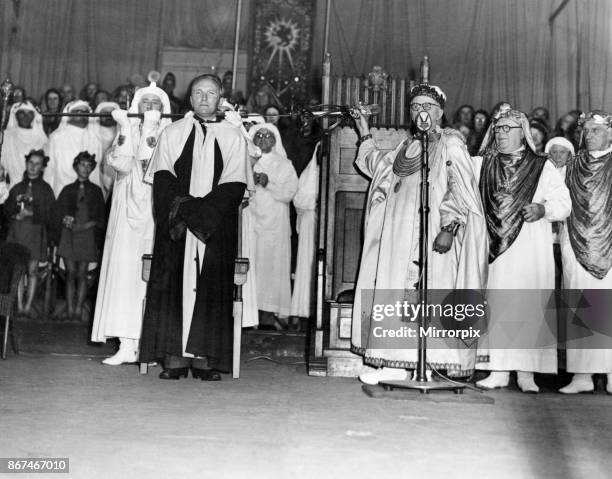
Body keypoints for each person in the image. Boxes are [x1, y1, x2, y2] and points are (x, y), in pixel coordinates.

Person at [352, 83, 488, 385]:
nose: (420, 112)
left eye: (427, 106)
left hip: (432, 235)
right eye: (415, 107)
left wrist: (449, 227)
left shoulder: (451, 143)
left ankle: (427, 364)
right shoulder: (408, 145)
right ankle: (397, 362)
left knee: (424, 296)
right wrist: (363, 129)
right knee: (400, 296)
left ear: (440, 111)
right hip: (400, 238)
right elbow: (377, 166)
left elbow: (460, 188)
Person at [139, 74, 248, 380]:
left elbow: (235, 184)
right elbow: (163, 179)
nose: (203, 98)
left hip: (214, 229)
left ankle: (204, 360)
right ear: (189, 99)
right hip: (179, 226)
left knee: (211, 288)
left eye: (210, 93)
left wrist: (203, 217)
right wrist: (187, 212)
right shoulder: (172, 132)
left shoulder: (233, 136)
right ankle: (174, 359)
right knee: (174, 286)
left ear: (220, 99)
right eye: (198, 93)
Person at [475, 104, 571, 393]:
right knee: (499, 303)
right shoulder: (482, 163)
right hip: (494, 249)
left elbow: (564, 203)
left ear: (523, 133)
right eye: (498, 129)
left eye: (508, 129)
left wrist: (543, 208)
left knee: (528, 305)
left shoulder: (542, 166)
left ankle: (527, 372)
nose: (501, 134)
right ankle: (499, 370)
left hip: (529, 247)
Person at [92, 82, 171, 365]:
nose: (150, 107)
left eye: (155, 103)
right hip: (125, 211)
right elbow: (121, 165)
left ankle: (148, 346)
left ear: (164, 109)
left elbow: (151, 165)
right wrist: (126, 129)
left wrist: (150, 130)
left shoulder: (168, 133)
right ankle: (126, 345)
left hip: (154, 211)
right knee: (125, 274)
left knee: (149, 276)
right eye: (145, 102)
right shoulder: (125, 130)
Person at [559, 111, 612, 394]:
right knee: (581, 307)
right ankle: (582, 375)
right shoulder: (573, 164)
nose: (590, 135)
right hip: (577, 243)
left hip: (610, 245)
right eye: (587, 130)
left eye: (596, 130)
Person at [248, 123, 298, 328]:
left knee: (273, 268)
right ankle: (251, 315)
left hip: (275, 225)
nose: (262, 138)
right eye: (258, 135)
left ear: (275, 140)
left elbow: (289, 193)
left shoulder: (284, 164)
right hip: (251, 222)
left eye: (268, 135)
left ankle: (271, 313)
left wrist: (269, 182)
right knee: (252, 266)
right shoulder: (247, 161)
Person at [4, 150, 56, 317]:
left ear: (42, 168)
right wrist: (15, 214)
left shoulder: (46, 189)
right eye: (30, 163)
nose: (33, 167)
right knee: (18, 271)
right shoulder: (17, 188)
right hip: (18, 233)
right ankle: (18, 305)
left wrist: (32, 214)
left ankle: (28, 306)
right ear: (26, 164)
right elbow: (6, 211)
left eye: (37, 164)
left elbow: (51, 214)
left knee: (32, 271)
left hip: (34, 234)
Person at [56, 152, 106, 321]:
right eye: (82, 165)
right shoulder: (67, 189)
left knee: (82, 273)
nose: (85, 168)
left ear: (92, 168)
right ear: (76, 167)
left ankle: (78, 311)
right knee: (70, 273)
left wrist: (86, 226)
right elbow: (58, 213)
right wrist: (65, 219)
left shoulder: (97, 191)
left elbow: (101, 218)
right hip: (69, 235)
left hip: (87, 236)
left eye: (88, 165)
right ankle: (70, 310)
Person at [290, 142, 320, 328]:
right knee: (307, 265)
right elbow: (300, 200)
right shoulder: (310, 174)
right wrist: (315, 203)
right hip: (310, 223)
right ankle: (303, 311)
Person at [45, 100, 99, 196]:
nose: (81, 114)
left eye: (84, 112)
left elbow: (96, 173)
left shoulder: (95, 139)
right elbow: (50, 170)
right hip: (61, 191)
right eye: (77, 112)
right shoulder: (57, 137)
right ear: (69, 115)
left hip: (88, 193)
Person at [0, 101, 47, 187]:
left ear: (34, 116)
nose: (26, 116)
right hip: (12, 187)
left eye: (29, 113)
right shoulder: (6, 136)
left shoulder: (42, 138)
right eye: (22, 113)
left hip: (36, 187)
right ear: (16, 115)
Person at [89, 101, 120, 199]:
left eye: (111, 113)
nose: (108, 116)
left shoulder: (122, 134)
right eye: (105, 113)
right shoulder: (91, 134)